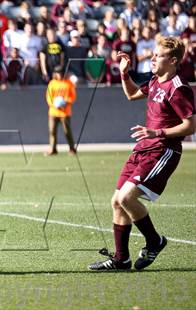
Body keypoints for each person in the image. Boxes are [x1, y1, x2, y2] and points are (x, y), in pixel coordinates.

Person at [89, 37, 195, 271]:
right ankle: (121, 259)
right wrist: (124, 74)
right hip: (144, 148)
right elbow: (132, 95)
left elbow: (191, 126)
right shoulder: (156, 80)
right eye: (153, 54)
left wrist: (156, 131)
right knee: (117, 201)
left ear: (174, 60)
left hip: (163, 150)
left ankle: (154, 241)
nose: (153, 58)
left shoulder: (178, 88)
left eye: (158, 55)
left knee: (127, 198)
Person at [45, 66, 77, 156]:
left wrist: (65, 102)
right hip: (53, 112)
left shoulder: (68, 83)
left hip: (65, 112)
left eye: (61, 73)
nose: (59, 75)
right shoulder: (52, 83)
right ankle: (53, 149)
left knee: (67, 131)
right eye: (58, 73)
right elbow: (48, 97)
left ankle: (72, 149)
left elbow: (73, 96)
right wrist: (54, 105)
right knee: (52, 131)